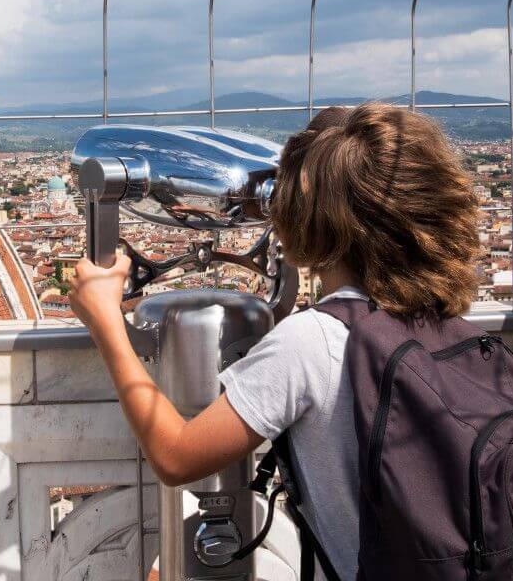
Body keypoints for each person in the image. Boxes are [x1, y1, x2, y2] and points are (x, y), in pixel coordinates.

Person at [69, 102, 482, 580]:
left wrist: (106, 322)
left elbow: (177, 455)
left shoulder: (314, 343)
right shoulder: (457, 328)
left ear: (312, 217)